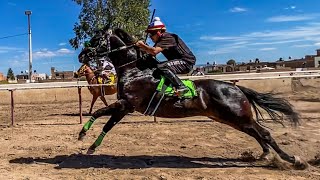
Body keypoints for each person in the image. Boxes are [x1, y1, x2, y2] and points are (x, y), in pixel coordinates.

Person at [135, 17, 196, 96]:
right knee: (155, 66)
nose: (150, 36)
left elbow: (154, 51)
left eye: (151, 34)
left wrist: (142, 45)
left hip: (186, 62)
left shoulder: (168, 37)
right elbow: (151, 53)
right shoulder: (160, 41)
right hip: (178, 61)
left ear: (159, 32)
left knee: (162, 66)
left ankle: (181, 87)